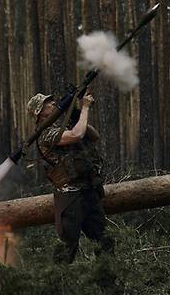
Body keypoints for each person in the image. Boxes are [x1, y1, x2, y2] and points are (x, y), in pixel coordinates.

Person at [27, 92, 114, 263]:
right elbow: (76, 135)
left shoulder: (65, 126)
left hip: (89, 191)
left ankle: (110, 287)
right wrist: (85, 108)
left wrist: (76, 113)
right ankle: (58, 286)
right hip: (70, 197)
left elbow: (94, 136)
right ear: (40, 113)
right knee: (67, 247)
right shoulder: (46, 133)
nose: (53, 102)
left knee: (104, 242)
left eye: (51, 100)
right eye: (48, 102)